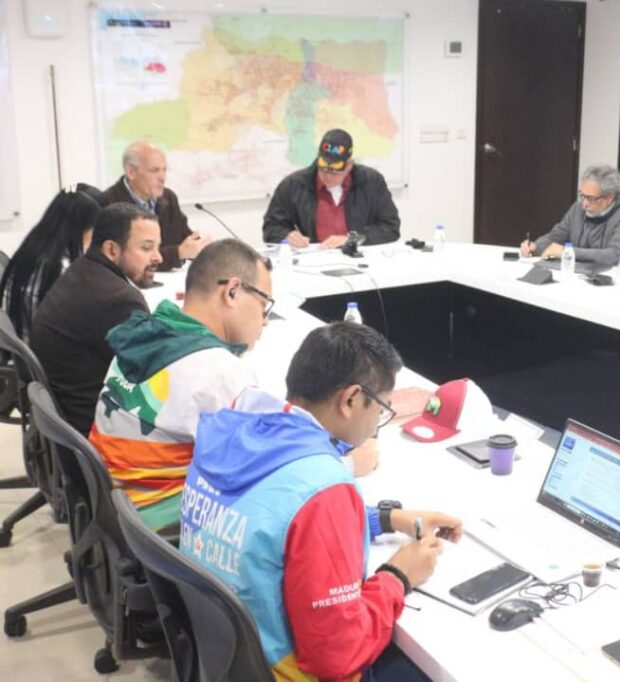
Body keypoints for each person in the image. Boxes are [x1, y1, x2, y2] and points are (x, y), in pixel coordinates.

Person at [180, 322, 459, 681]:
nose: (377, 425)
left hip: (224, 661)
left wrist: (385, 519)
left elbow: (275, 518)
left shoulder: (232, 434)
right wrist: (399, 576)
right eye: (381, 410)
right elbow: (337, 656)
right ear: (351, 399)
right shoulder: (324, 488)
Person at [88, 240, 275, 530]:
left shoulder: (146, 333)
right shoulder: (220, 373)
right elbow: (255, 473)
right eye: (264, 305)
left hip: (115, 506)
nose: (265, 321)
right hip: (161, 528)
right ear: (232, 291)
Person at [31, 203, 162, 434]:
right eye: (146, 248)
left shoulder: (82, 271)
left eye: (158, 247)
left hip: (65, 423)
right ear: (111, 249)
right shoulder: (118, 299)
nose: (158, 257)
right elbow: (154, 375)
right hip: (94, 432)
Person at [263, 129, 401, 249]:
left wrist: (352, 239)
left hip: (359, 259)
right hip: (315, 259)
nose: (327, 176)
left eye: (334, 172)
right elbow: (271, 227)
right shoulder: (294, 185)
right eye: (323, 169)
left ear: (349, 165)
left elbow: (390, 228)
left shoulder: (371, 182)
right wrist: (286, 236)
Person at [0, 184, 107, 339]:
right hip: (49, 350)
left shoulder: (27, 255)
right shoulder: (64, 271)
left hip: (23, 348)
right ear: (82, 228)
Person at [104, 141, 212, 270]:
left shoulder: (168, 198)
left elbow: (186, 240)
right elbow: (123, 259)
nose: (162, 177)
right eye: (154, 170)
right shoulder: (109, 203)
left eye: (164, 170)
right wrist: (177, 253)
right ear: (131, 172)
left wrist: (203, 248)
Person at [519, 164, 620, 266]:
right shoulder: (577, 209)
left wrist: (566, 251)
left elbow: (614, 255)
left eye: (590, 198)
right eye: (582, 195)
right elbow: (555, 237)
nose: (584, 203)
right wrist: (535, 246)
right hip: (578, 273)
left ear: (609, 198)